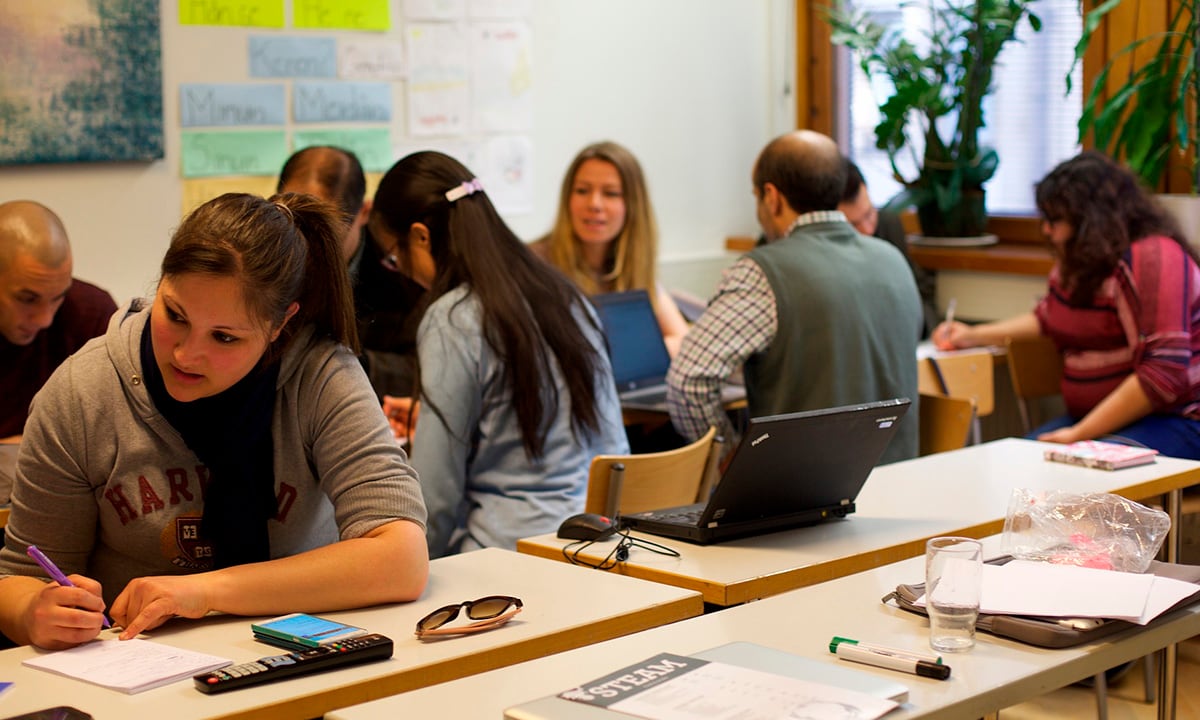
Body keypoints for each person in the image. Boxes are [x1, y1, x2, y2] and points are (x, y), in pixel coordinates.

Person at [0, 192, 429, 650]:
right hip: (139, 677)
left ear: (281, 324)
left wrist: (204, 592)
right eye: (175, 315)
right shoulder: (82, 392)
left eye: (224, 337)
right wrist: (34, 612)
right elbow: (19, 580)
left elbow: (402, 556)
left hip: (296, 662)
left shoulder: (320, 376)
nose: (186, 354)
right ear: (161, 281)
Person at [370, 151, 628, 557]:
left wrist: (409, 565)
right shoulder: (564, 294)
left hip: (504, 557)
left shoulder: (452, 317)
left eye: (394, 256)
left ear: (421, 236)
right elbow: (614, 449)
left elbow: (434, 499)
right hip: (597, 544)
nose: (401, 270)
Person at [667, 130, 922, 464]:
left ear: (772, 197)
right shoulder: (893, 260)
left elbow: (688, 382)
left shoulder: (762, 273)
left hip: (808, 500)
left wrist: (730, 454)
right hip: (901, 485)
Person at [933, 150, 1200, 458]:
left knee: (1062, 475)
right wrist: (972, 335)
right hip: (1099, 420)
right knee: (1015, 463)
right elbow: (1049, 317)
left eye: (1055, 220)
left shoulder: (1155, 258)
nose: (1047, 230)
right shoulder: (1082, 261)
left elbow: (1163, 375)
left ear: (1092, 219)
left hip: (1177, 420)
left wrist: (1078, 436)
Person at [276, 146, 421, 404]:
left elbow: (420, 370)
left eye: (327, 233)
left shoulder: (404, 275)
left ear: (365, 212)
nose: (305, 246)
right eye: (294, 223)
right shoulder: (256, 258)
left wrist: (356, 364)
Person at [532, 141, 688, 356]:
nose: (594, 204)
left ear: (634, 205)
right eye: (582, 190)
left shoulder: (635, 269)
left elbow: (683, 340)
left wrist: (621, 355)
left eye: (611, 193)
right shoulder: (533, 264)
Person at [0, 201, 117, 442]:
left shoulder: (92, 314)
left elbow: (117, 427)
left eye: (58, 297)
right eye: (27, 299)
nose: (45, 319)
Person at [839, 160, 938, 337]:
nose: (867, 229)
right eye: (853, 224)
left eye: (869, 213)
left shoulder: (888, 225)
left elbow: (920, 290)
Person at [277, 145, 370, 265]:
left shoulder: (393, 274)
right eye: (291, 226)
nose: (303, 253)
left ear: (364, 213)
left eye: (323, 239)